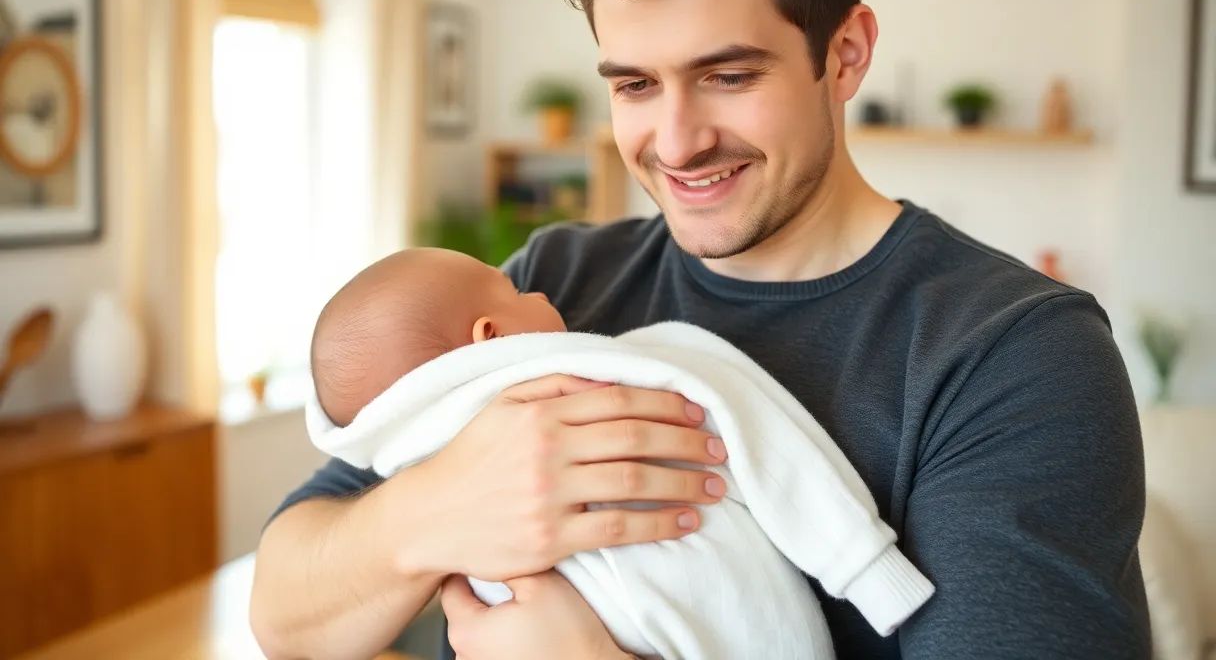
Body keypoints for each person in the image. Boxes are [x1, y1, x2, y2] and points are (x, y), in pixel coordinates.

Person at [251, 0, 1150, 659]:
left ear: (844, 55)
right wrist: (438, 508)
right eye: (636, 84)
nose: (676, 143)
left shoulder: (1015, 357)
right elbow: (287, 612)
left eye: (727, 76)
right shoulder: (546, 288)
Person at [304, 246, 933, 659]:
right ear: (489, 335)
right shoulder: (611, 360)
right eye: (515, 290)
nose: (544, 295)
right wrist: (866, 567)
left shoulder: (405, 443)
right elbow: (763, 435)